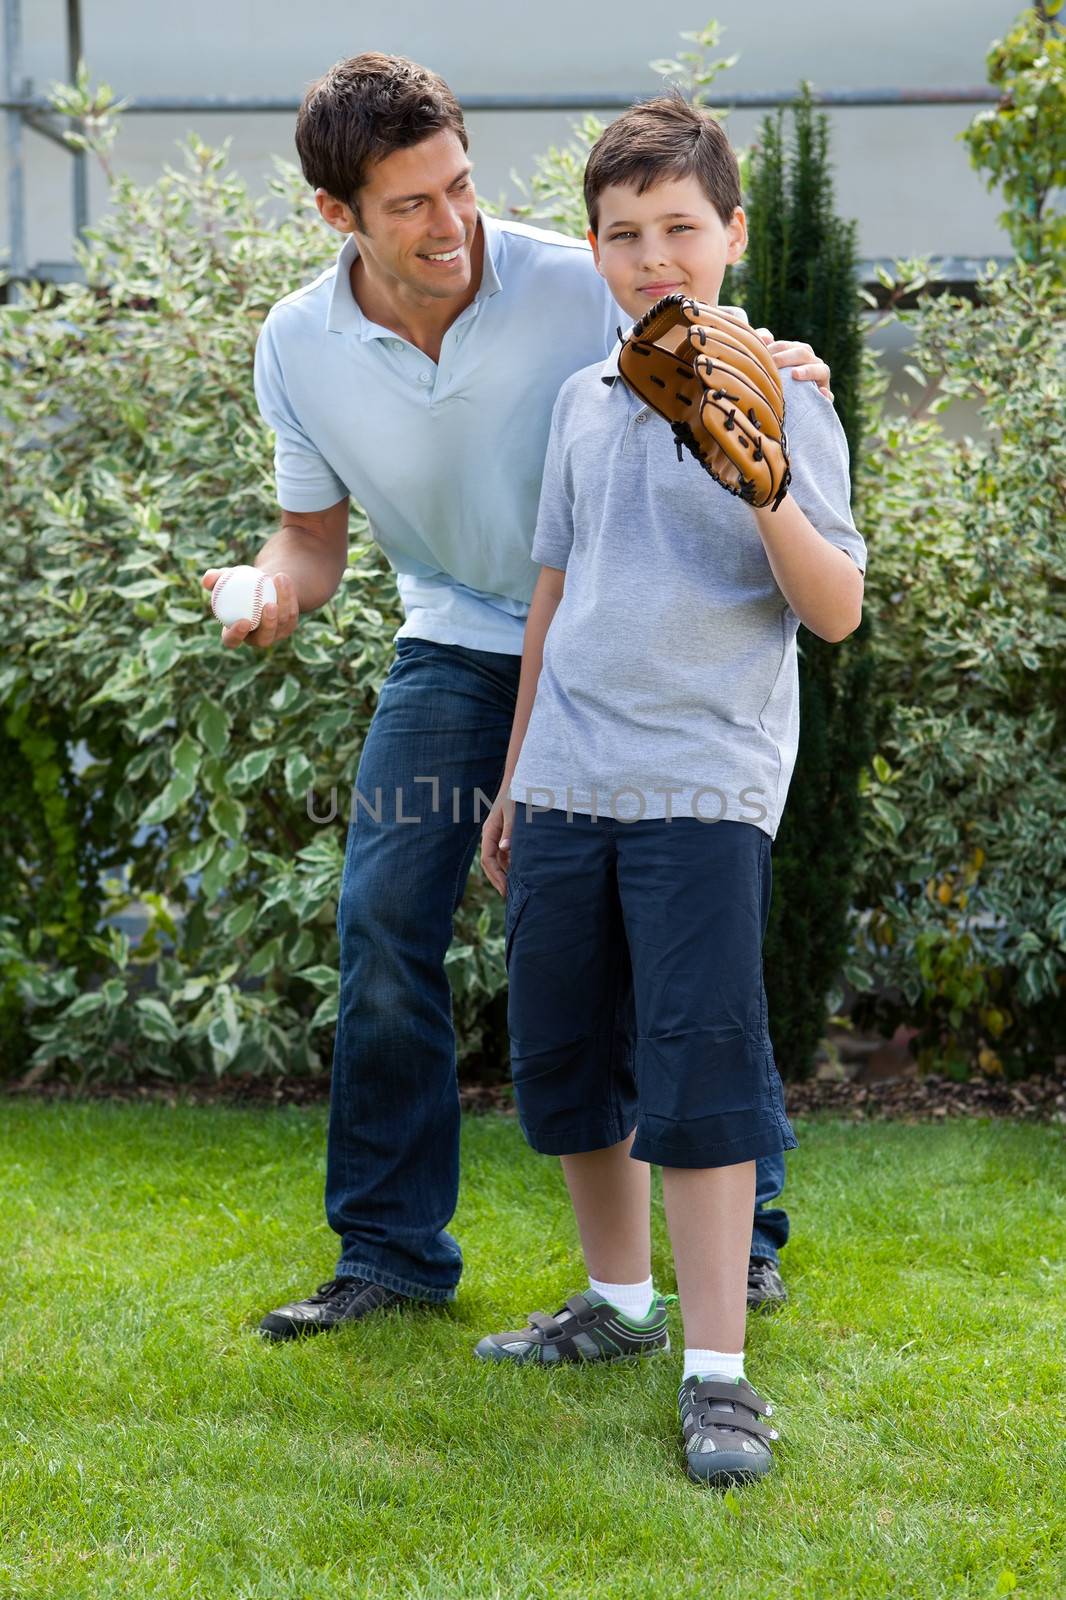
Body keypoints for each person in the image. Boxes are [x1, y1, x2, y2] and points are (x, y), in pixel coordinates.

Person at [200, 53, 833, 1340]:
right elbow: (309, 543)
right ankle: (388, 1250)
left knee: (684, 922)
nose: (452, 225)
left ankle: (743, 1237)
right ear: (340, 216)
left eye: (462, 186)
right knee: (382, 916)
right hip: (451, 638)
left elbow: (691, 359)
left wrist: (776, 359)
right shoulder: (296, 345)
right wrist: (268, 588)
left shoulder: (567, 277)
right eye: (411, 205)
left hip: (606, 643)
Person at [475, 93, 866, 1485]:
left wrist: (758, 478)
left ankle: (717, 1372)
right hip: (572, 773)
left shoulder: (787, 392)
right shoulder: (582, 405)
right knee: (571, 1056)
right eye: (623, 234)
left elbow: (832, 613)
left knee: (699, 1073)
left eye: (678, 229)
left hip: (703, 781)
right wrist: (515, 775)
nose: (653, 256)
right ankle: (617, 1304)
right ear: (592, 250)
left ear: (730, 236)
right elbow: (553, 593)